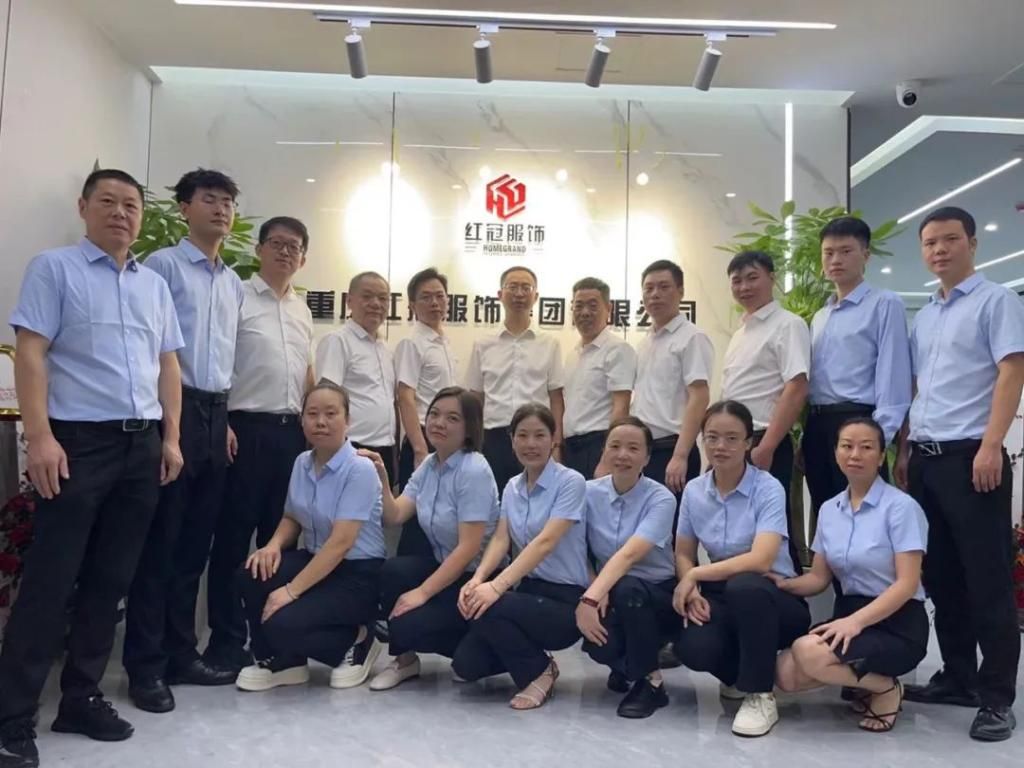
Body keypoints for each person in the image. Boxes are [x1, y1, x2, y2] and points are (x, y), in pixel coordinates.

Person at [0, 169, 184, 767]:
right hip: (77, 444)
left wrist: (171, 438)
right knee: (51, 582)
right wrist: (40, 437)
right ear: (84, 207)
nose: (121, 213)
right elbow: (31, 352)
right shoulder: (55, 269)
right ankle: (11, 718)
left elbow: (168, 365)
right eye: (108, 201)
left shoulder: (153, 284)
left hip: (141, 446)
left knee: (111, 581)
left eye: (131, 204)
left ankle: (80, 698)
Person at [894, 206, 1024, 742]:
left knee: (987, 579)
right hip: (926, 458)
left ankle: (996, 698)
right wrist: (905, 450)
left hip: (973, 457)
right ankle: (958, 676)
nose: (939, 250)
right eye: (930, 243)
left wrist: (992, 445)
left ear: (972, 243)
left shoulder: (997, 301)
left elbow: (1012, 370)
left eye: (950, 239)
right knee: (942, 576)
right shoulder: (926, 315)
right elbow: (920, 388)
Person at [124, 169, 245, 713]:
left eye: (228, 202)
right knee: (161, 545)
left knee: (196, 546)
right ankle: (145, 667)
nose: (221, 210)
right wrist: (170, 429)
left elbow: (224, 361)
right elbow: (151, 353)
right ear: (183, 208)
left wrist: (225, 421)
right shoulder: (162, 268)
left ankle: (181, 654)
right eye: (209, 199)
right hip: (172, 414)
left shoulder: (232, 282)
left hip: (215, 415)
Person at [204, 216, 315, 675]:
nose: (285, 252)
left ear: (303, 258)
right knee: (233, 539)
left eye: (294, 247)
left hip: (291, 436)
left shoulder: (303, 310)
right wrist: (223, 421)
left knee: (280, 539)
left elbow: (306, 375)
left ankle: (272, 638)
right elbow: (217, 362)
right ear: (259, 249)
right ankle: (226, 642)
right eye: (277, 243)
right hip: (244, 431)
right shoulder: (238, 296)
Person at [775, 418, 929, 734]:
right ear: (836, 453)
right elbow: (818, 579)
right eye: (847, 446)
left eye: (866, 447)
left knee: (807, 652)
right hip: (849, 615)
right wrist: (781, 583)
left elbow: (907, 583)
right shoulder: (830, 510)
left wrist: (855, 622)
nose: (855, 454)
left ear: (881, 455)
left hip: (897, 622)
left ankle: (886, 688)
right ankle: (868, 683)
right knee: (785, 675)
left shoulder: (901, 508)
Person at [234, 383, 386, 692]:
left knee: (281, 621)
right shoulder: (302, 462)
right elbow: (292, 516)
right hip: (317, 561)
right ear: (301, 420)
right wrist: (273, 546)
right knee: (252, 573)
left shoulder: (360, 468)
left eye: (331, 414)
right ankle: (283, 661)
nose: (321, 422)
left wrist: (290, 592)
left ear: (348, 420)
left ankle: (358, 640)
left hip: (357, 574)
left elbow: (341, 543)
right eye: (312, 414)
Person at [672, 400, 809, 738]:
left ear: (748, 443)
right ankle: (741, 674)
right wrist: (692, 587)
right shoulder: (694, 491)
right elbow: (683, 552)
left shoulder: (767, 487)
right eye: (712, 437)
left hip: (773, 596)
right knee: (692, 647)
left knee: (745, 585)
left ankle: (760, 694)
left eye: (732, 438)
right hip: (723, 592)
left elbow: (761, 560)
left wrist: (696, 575)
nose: (721, 446)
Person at [452, 404, 589, 709]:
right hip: (528, 592)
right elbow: (501, 538)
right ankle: (531, 657)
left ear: (553, 439)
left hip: (565, 599)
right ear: (511, 440)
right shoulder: (513, 486)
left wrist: (496, 586)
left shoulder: (571, 482)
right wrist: (478, 579)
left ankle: (539, 672)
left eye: (540, 435)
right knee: (466, 664)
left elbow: (546, 542)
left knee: (489, 606)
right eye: (522, 435)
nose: (531, 444)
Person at [363, 387, 500, 690]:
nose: (439, 423)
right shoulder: (430, 465)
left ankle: (487, 643)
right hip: (446, 570)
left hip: (476, 580)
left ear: (469, 429)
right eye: (434, 414)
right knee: (393, 571)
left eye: (452, 418)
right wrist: (382, 478)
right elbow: (396, 515)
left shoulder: (474, 469)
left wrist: (422, 593)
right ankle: (405, 661)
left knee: (411, 626)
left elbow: (469, 548)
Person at [804, 216, 911, 539]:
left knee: (867, 525)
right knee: (830, 521)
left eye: (846, 251)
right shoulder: (820, 315)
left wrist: (876, 441)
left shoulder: (884, 304)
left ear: (866, 255)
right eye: (828, 253)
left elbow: (894, 375)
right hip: (818, 425)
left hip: (858, 423)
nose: (835, 260)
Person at [579, 417, 680, 719]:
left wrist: (591, 597)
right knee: (598, 645)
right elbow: (576, 548)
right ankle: (628, 664)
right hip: (610, 589)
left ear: (647, 458)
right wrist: (595, 585)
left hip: (657, 594)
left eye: (633, 448)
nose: (623, 455)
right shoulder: (587, 492)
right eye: (615, 446)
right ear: (604, 451)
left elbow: (629, 555)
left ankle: (651, 683)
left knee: (628, 587)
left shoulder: (661, 498)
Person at [721, 250, 810, 566]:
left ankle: (785, 590)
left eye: (752, 278)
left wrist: (767, 446)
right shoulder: (741, 332)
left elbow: (797, 386)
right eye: (737, 281)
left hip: (763, 442)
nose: (744, 287)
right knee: (739, 527)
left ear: (772, 278)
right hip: (734, 443)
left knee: (773, 528)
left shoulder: (788, 325)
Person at [467, 266, 565, 493]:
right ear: (500, 295)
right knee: (493, 500)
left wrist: (556, 444)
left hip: (536, 437)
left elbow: (556, 398)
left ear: (536, 296)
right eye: (512, 287)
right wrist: (472, 443)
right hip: (493, 438)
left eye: (526, 288)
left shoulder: (550, 343)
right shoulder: (483, 344)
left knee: (537, 499)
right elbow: (475, 398)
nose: (519, 294)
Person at [630, 260, 713, 496]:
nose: (655, 294)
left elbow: (700, 396)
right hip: (644, 450)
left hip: (672, 449)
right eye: (649, 288)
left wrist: (680, 455)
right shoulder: (644, 342)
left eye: (664, 287)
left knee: (672, 517)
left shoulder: (692, 337)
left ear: (681, 291)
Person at [394, 267, 458, 556]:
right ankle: (408, 574)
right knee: (418, 517)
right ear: (412, 304)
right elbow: (405, 397)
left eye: (440, 296)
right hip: (424, 440)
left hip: (447, 441)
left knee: (440, 515)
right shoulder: (412, 342)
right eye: (426, 297)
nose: (435, 303)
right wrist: (420, 449)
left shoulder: (444, 342)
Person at [316, 271, 398, 487]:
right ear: (349, 301)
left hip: (386, 447)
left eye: (383, 298)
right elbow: (326, 400)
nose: (376, 304)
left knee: (381, 507)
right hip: (351, 447)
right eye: (367, 296)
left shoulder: (385, 348)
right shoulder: (337, 341)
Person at [562, 277, 636, 479]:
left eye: (593, 306)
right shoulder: (572, 355)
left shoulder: (617, 349)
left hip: (598, 445)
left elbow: (621, 407)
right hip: (571, 448)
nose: (585, 312)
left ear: (608, 309)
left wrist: (607, 458)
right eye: (579, 306)